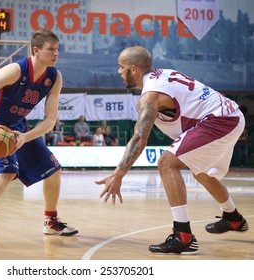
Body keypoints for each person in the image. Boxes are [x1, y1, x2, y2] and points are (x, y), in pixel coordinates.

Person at [95, 46, 249, 255]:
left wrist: (119, 173)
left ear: (133, 69)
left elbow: (140, 138)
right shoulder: (163, 74)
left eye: (121, 67)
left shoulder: (151, 97)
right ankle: (233, 218)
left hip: (219, 120)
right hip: (228, 115)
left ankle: (183, 237)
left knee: (167, 163)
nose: (118, 72)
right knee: (202, 173)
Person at [0, 29, 78, 248]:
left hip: (18, 127)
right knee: (7, 172)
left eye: (57, 49)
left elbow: (50, 121)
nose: (55, 53)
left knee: (53, 170)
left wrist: (25, 137)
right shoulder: (15, 70)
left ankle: (50, 221)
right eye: (51, 49)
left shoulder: (54, 77)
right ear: (36, 50)